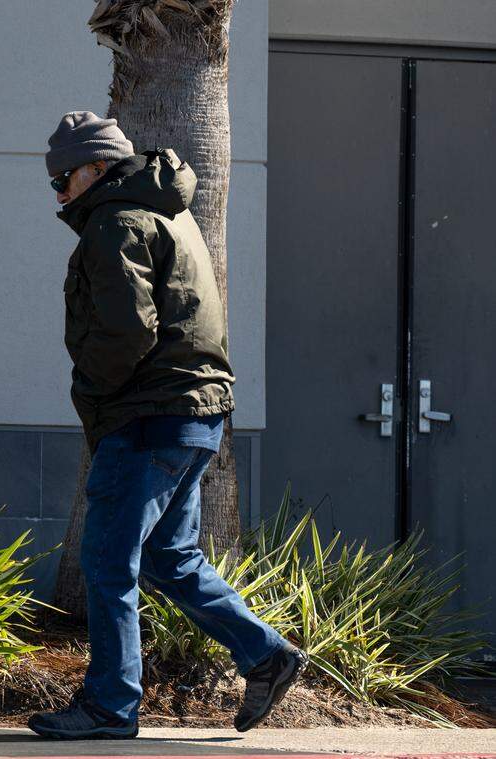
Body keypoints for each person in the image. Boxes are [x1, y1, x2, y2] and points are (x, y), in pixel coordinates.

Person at [27, 111, 307, 740]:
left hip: (146, 417)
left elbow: (126, 332)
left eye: (62, 179)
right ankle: (266, 655)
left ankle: (110, 705)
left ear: (96, 168)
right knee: (169, 557)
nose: (59, 194)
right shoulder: (169, 214)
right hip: (192, 415)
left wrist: (92, 391)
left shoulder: (116, 222)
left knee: (108, 559)